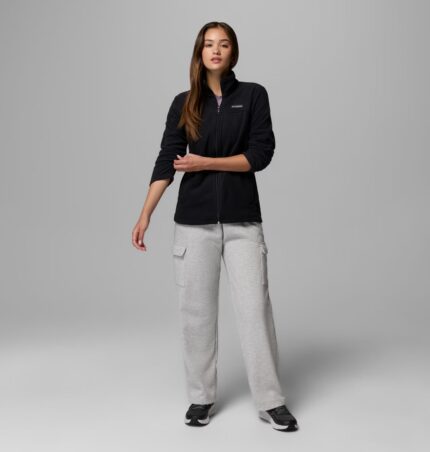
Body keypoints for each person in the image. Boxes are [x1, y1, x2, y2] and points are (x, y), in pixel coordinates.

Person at [132, 21, 298, 432]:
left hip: (243, 221)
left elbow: (260, 155)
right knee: (196, 314)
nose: (216, 50)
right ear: (199, 52)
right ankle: (201, 398)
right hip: (194, 223)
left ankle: (271, 402)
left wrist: (205, 162)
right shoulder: (184, 102)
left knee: (255, 310)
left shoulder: (253, 96)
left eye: (223, 44)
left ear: (233, 52)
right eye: (209, 44)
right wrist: (146, 213)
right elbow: (167, 159)